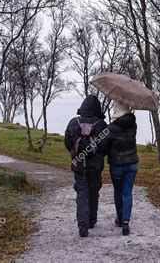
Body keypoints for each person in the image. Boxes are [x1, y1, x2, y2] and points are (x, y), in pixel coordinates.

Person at [64, 95, 107, 237]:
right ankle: (91, 220)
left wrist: (75, 153)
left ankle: (83, 227)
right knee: (94, 192)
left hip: (79, 165)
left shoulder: (73, 122)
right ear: (97, 108)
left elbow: (67, 143)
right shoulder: (101, 125)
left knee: (82, 194)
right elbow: (105, 147)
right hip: (95, 167)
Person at [103, 101, 138, 236]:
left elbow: (104, 144)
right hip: (132, 163)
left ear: (116, 111)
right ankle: (125, 222)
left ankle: (120, 218)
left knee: (118, 191)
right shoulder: (133, 125)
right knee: (128, 192)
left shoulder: (111, 128)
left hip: (117, 165)